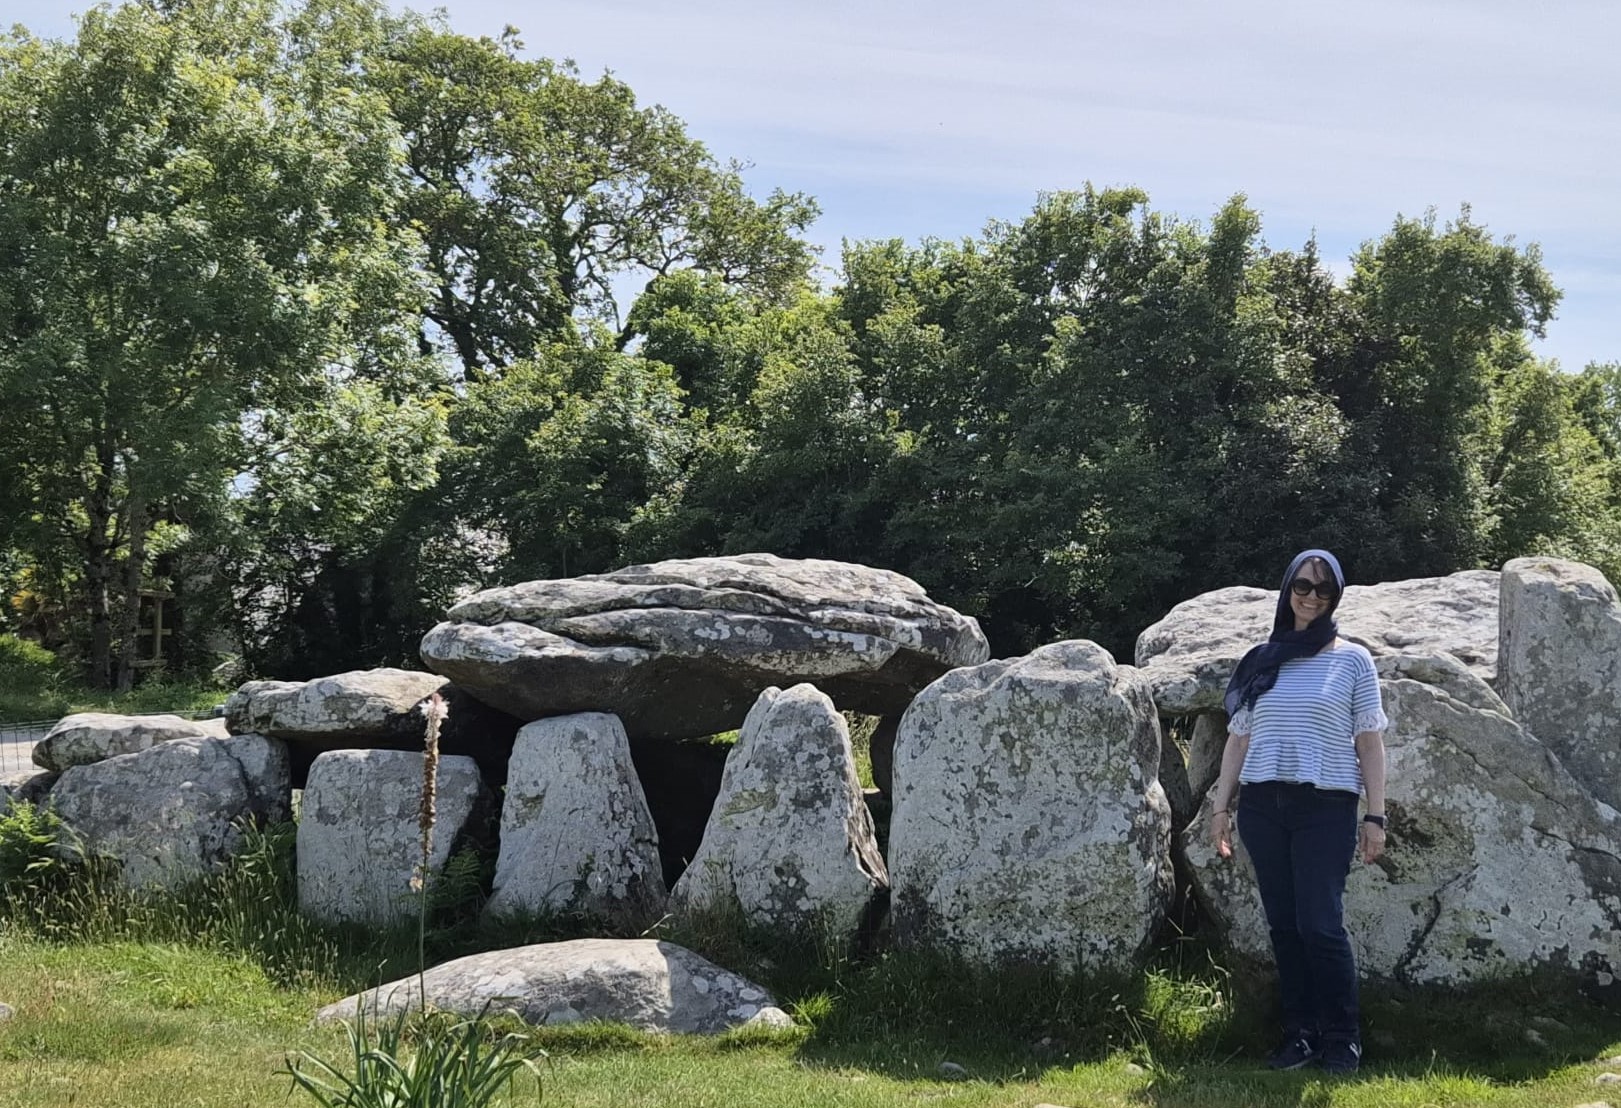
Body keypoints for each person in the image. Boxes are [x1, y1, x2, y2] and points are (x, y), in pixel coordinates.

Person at [1208, 548, 1388, 1075]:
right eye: (1302, 586)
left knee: (1321, 925)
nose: (1311, 597)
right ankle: (1300, 1035)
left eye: (1323, 589)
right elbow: (1238, 741)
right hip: (1263, 806)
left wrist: (1375, 817)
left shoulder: (1352, 660)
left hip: (1325, 806)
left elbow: (1370, 742)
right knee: (1284, 927)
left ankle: (1342, 1039)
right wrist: (1221, 809)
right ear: (1287, 588)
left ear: (1335, 597)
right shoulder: (1264, 657)